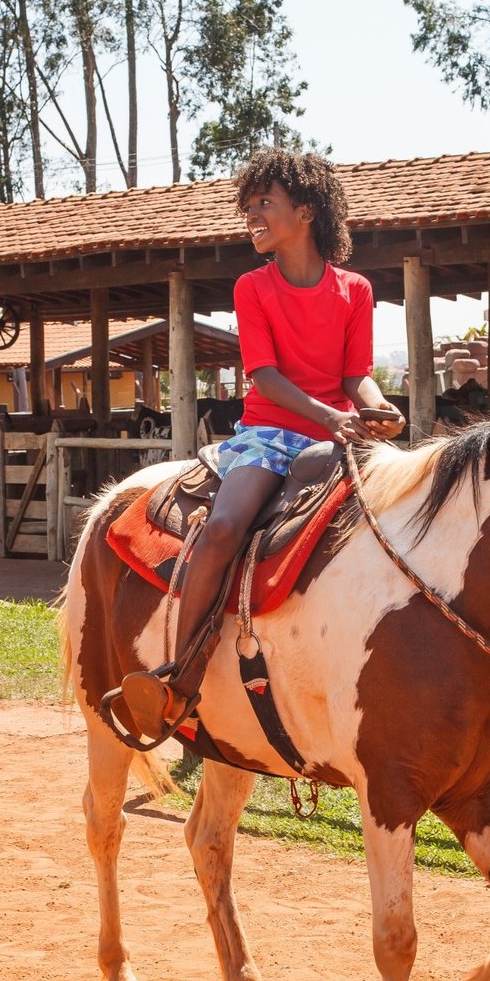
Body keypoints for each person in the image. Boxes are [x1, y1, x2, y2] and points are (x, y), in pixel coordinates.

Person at [120, 148, 404, 738]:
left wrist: (377, 407)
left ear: (306, 211)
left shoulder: (355, 289)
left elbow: (357, 375)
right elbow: (264, 376)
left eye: (264, 203)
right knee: (223, 528)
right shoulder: (253, 287)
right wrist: (332, 416)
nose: (253, 214)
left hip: (341, 432)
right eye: (247, 205)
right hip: (271, 435)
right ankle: (179, 671)